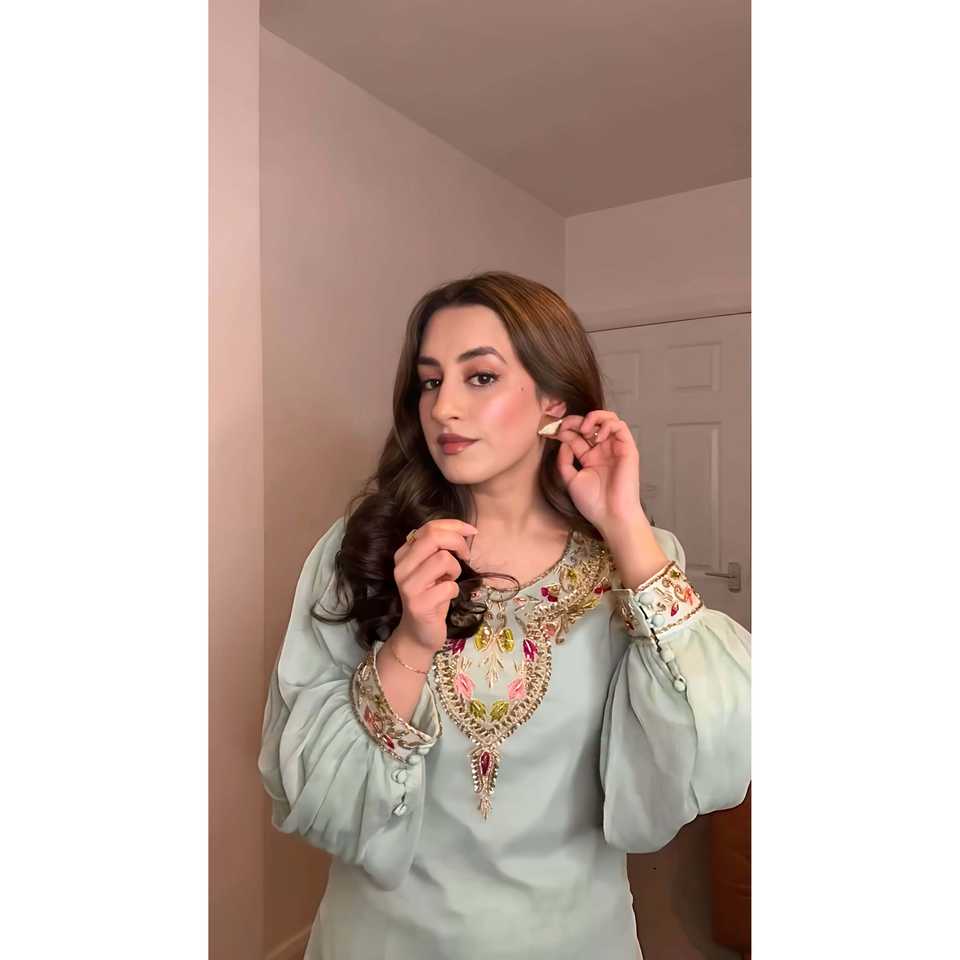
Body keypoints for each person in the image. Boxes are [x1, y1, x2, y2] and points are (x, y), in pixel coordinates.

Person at [257, 271, 751, 959]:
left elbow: (719, 752)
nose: (444, 408)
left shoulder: (634, 561)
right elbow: (314, 791)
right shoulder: (363, 548)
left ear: (554, 399)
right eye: (430, 382)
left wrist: (625, 526)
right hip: (383, 937)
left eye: (480, 377)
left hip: (572, 936)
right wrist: (410, 644)